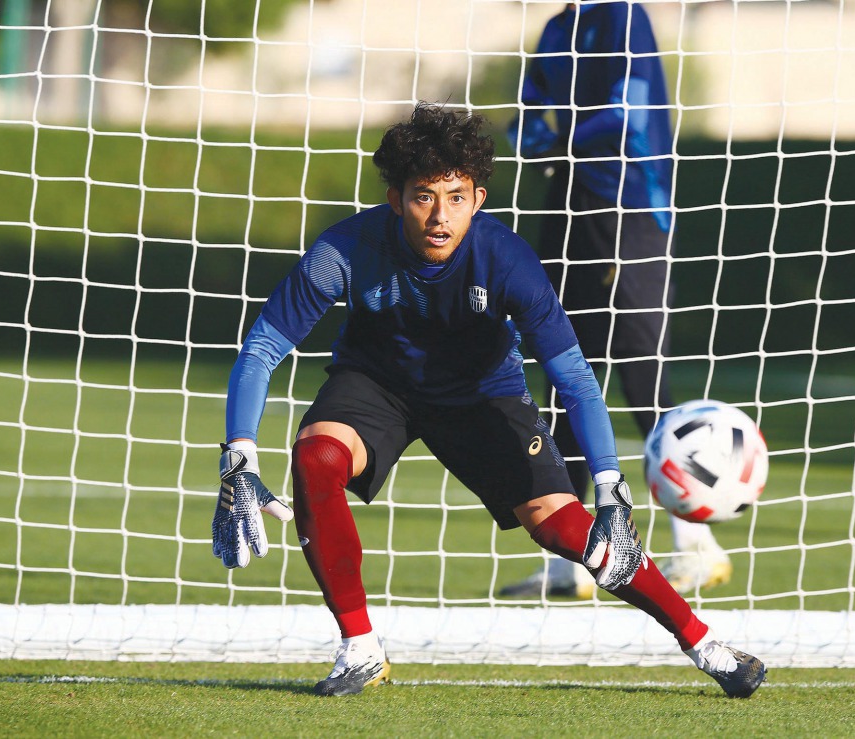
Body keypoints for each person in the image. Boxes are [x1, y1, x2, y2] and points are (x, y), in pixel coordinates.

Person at [210, 102, 766, 698]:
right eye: (423, 196)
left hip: (483, 395)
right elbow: (264, 345)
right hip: (376, 384)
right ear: (395, 198)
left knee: (575, 534)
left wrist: (608, 485)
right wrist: (239, 455)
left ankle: (705, 644)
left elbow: (575, 377)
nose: (439, 216)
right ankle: (359, 648)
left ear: (478, 199)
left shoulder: (508, 260)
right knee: (316, 456)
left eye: (456, 197)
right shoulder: (345, 248)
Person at [501, 1, 731, 598]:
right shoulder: (557, 28)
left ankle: (698, 543)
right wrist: (529, 137)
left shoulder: (624, 16)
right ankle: (570, 557)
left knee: (641, 375)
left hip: (628, 209)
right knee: (566, 374)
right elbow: (528, 114)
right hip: (567, 209)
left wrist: (561, 140)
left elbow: (626, 109)